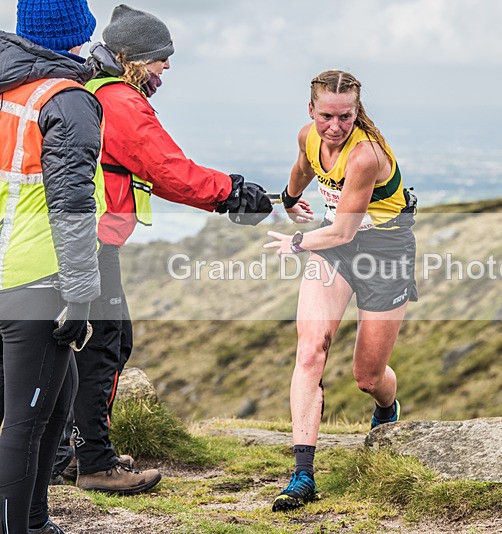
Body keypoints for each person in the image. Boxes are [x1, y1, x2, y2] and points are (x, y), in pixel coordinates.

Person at [53, 4, 288, 495]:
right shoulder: (120, 100)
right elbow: (168, 169)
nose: (165, 67)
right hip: (91, 242)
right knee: (104, 346)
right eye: (161, 58)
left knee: (98, 344)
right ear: (132, 57)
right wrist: (231, 192)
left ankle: (70, 452)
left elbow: (151, 171)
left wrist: (229, 193)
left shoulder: (97, 88)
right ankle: (93, 462)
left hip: (76, 241)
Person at [265, 69, 418, 511]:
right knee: (311, 349)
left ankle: (387, 410)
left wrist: (297, 241)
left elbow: (344, 230)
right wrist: (289, 198)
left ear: (356, 112)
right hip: (334, 248)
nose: (334, 127)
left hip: (384, 251)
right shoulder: (308, 136)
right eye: (326, 116)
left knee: (368, 377)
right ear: (311, 110)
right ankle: (302, 475)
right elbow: (302, 168)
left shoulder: (365, 155)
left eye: (345, 117)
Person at [0, 0, 104, 531]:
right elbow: (72, 206)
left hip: (7, 274)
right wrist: (81, 294)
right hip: (35, 280)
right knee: (24, 422)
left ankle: (36, 522)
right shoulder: (65, 100)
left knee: (56, 405)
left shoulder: (7, 87)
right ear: (74, 33)